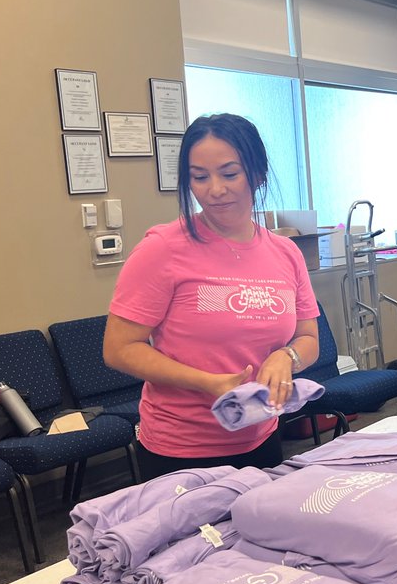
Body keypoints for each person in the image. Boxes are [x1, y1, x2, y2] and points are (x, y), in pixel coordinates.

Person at [103, 113, 320, 481]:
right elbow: (119, 349)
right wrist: (206, 382)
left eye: (229, 174)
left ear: (258, 174)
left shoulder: (285, 252)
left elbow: (308, 338)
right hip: (182, 449)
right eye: (200, 177)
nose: (215, 189)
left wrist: (287, 356)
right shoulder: (162, 249)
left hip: (262, 435)